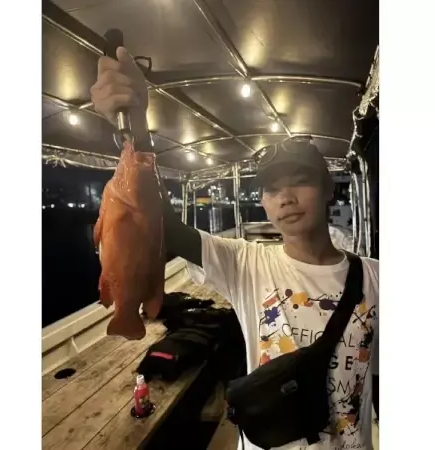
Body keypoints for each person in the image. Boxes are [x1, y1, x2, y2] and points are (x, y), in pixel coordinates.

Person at [91, 47, 379, 450]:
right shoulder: (246, 263)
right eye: (272, 189)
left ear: (328, 188)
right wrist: (136, 127)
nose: (285, 198)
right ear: (263, 201)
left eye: (300, 181)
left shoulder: (376, 277)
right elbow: (166, 228)